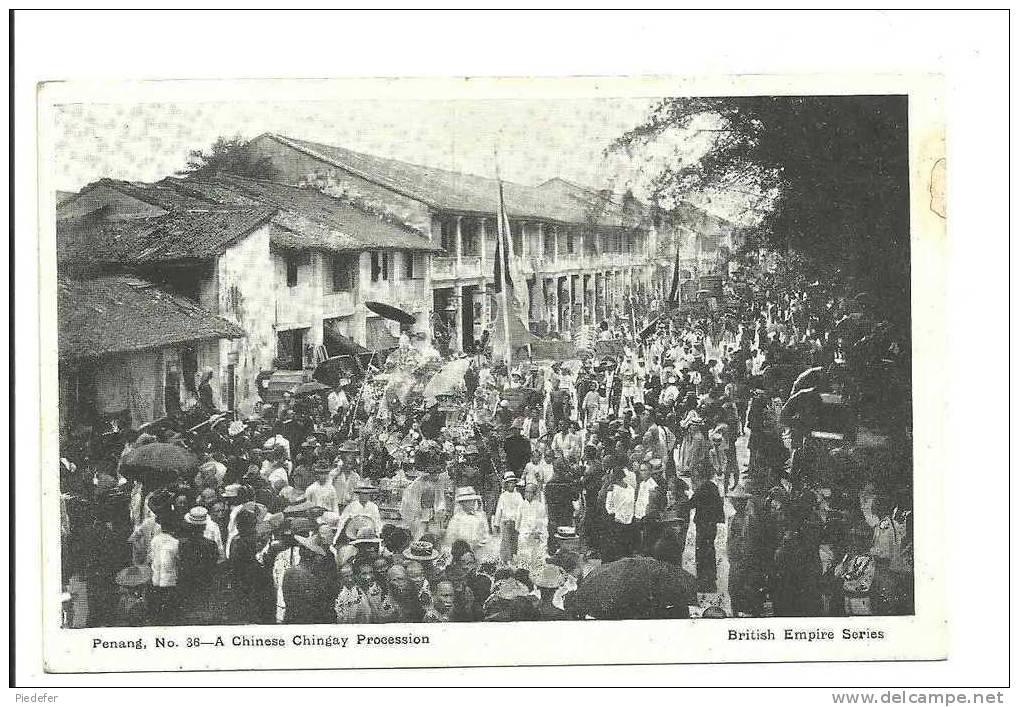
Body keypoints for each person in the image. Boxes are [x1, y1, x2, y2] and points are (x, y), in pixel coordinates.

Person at [684, 474, 725, 592]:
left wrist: (685, 497)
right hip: (712, 525)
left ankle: (703, 582)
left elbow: (691, 504)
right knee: (710, 551)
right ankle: (711, 582)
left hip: (702, 525)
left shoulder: (701, 489)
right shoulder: (713, 487)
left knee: (701, 553)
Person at [493, 473, 524, 564]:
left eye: (513, 483)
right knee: (506, 540)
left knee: (514, 540)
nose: (511, 485)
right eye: (509, 483)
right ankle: (505, 560)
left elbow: (521, 508)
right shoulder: (503, 496)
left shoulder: (518, 496)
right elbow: (499, 510)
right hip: (506, 522)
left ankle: (513, 558)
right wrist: (496, 524)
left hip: (515, 521)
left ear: (515, 484)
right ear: (506, 484)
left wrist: (521, 521)